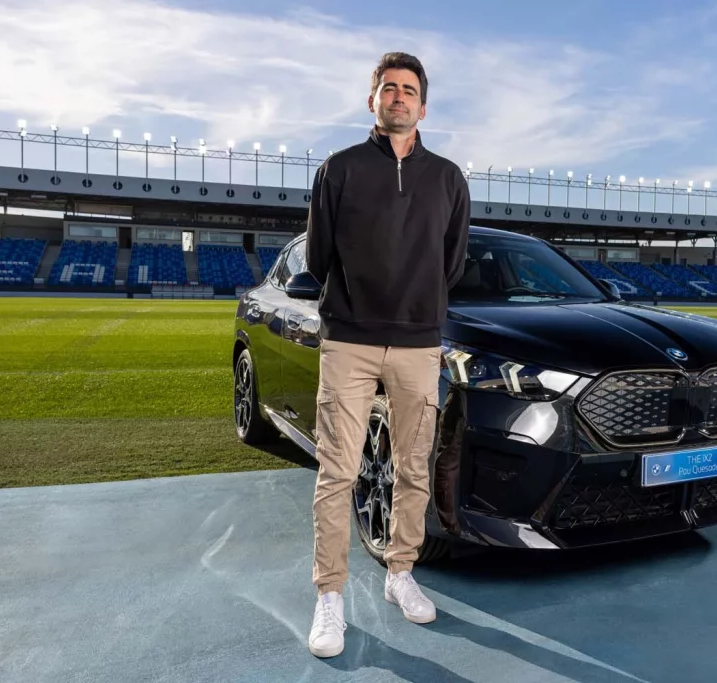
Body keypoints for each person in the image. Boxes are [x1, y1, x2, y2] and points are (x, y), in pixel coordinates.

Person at [302, 51, 471, 658]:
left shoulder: (449, 178)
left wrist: (418, 307)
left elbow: (450, 261)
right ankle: (330, 596)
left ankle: (401, 573)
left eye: (409, 90)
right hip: (348, 339)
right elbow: (319, 255)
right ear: (371, 99)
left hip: (419, 343)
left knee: (413, 467)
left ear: (423, 107)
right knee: (338, 471)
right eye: (388, 88)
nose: (398, 97)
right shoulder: (339, 170)